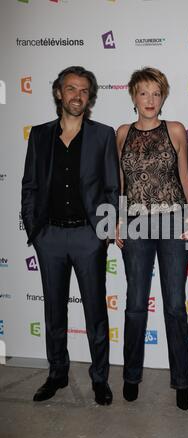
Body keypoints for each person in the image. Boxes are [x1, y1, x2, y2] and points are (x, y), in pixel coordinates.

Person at [21, 66, 120, 405]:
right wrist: (36, 231)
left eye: (83, 90)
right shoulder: (39, 134)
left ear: (89, 97)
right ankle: (57, 374)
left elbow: (111, 187)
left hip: (88, 237)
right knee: (54, 312)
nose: (77, 95)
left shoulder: (103, 135)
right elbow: (30, 185)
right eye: (71, 89)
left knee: (95, 311)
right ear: (58, 93)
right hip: (49, 238)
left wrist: (102, 233)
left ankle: (100, 379)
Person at [116, 67, 188, 410]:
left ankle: (181, 381)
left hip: (172, 222)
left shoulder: (175, 130)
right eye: (143, 93)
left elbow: (184, 176)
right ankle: (131, 376)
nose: (150, 100)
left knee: (176, 306)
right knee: (135, 304)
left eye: (156, 93)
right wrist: (117, 221)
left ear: (163, 98)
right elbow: (120, 183)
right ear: (133, 97)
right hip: (134, 223)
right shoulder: (121, 133)